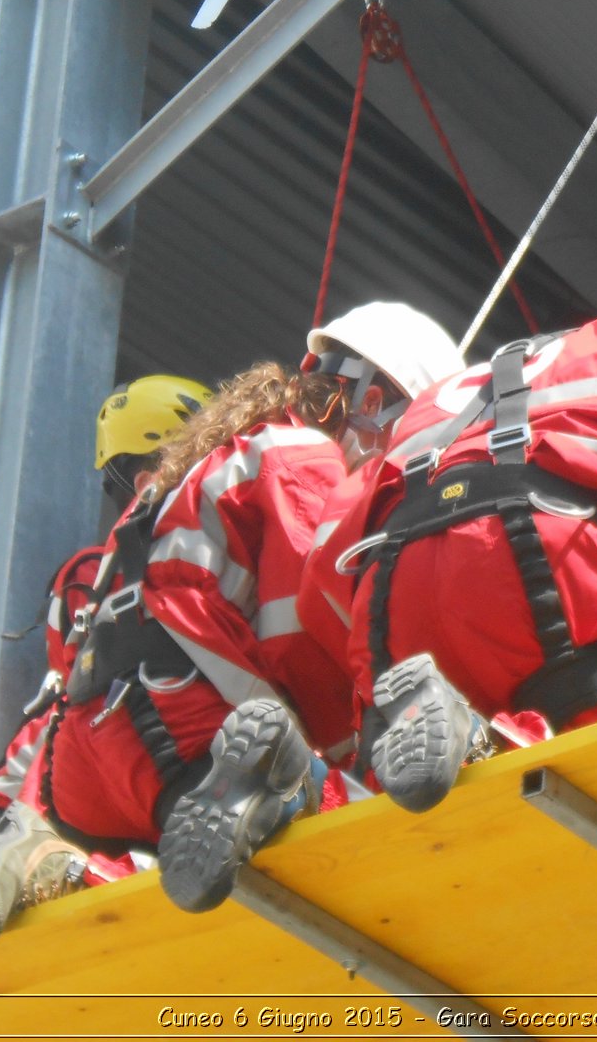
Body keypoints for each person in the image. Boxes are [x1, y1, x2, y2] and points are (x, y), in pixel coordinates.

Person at [301, 304, 597, 815]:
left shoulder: (432, 408)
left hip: (395, 588)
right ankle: (473, 738)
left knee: (408, 806)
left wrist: (378, 665)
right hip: (555, 564)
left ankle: (306, 786)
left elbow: (327, 556)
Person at [0, 375, 213, 964]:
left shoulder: (90, 573)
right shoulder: (167, 554)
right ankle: (64, 867)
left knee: (54, 745)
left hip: (70, 757)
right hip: (161, 746)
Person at [152, 303, 463, 913]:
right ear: (374, 405)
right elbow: (307, 627)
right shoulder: (305, 461)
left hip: (137, 706)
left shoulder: (233, 451)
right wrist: (363, 741)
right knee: (362, 819)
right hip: (194, 703)